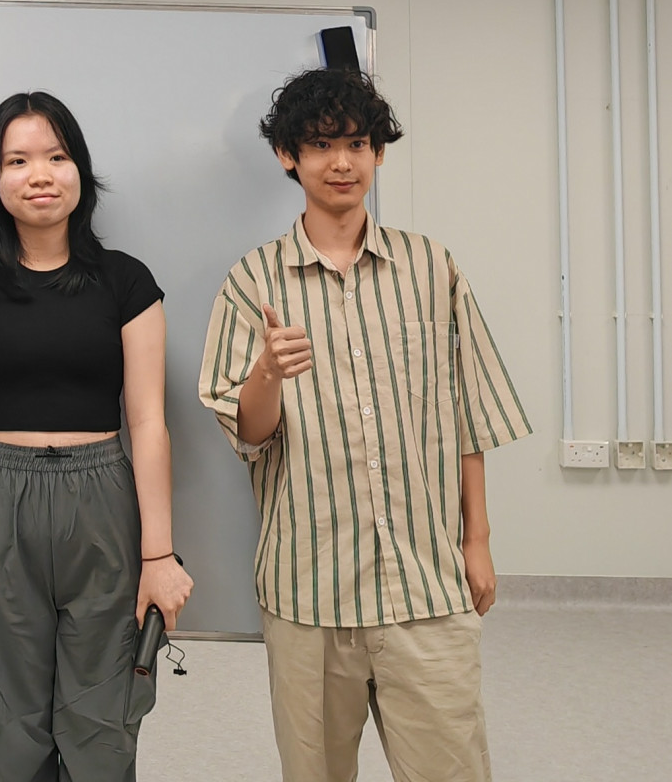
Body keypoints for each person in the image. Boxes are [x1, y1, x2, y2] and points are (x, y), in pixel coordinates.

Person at [198, 67, 531, 782]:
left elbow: (468, 413)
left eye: (356, 143)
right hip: (308, 591)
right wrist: (267, 371)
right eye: (319, 145)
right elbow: (248, 434)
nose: (341, 162)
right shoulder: (253, 281)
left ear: (378, 151)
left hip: (425, 583)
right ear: (287, 156)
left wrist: (476, 541)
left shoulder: (430, 266)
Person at [0, 90, 193, 782]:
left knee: (101, 718)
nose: (39, 175)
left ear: (79, 171)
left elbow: (148, 422)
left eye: (56, 157)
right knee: (7, 719)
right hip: (5, 499)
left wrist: (159, 554)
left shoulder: (126, 282)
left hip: (104, 499)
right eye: (17, 160)